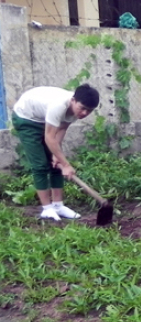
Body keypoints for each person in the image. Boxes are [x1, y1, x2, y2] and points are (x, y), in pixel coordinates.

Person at [11, 84, 100, 221]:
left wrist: (57, 156)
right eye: (82, 108)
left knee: (56, 162)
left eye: (89, 111)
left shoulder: (76, 111)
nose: (84, 113)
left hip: (43, 118)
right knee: (40, 165)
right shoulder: (58, 106)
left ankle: (58, 205)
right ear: (73, 100)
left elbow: (61, 129)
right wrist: (66, 164)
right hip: (26, 118)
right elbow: (49, 137)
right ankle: (47, 209)